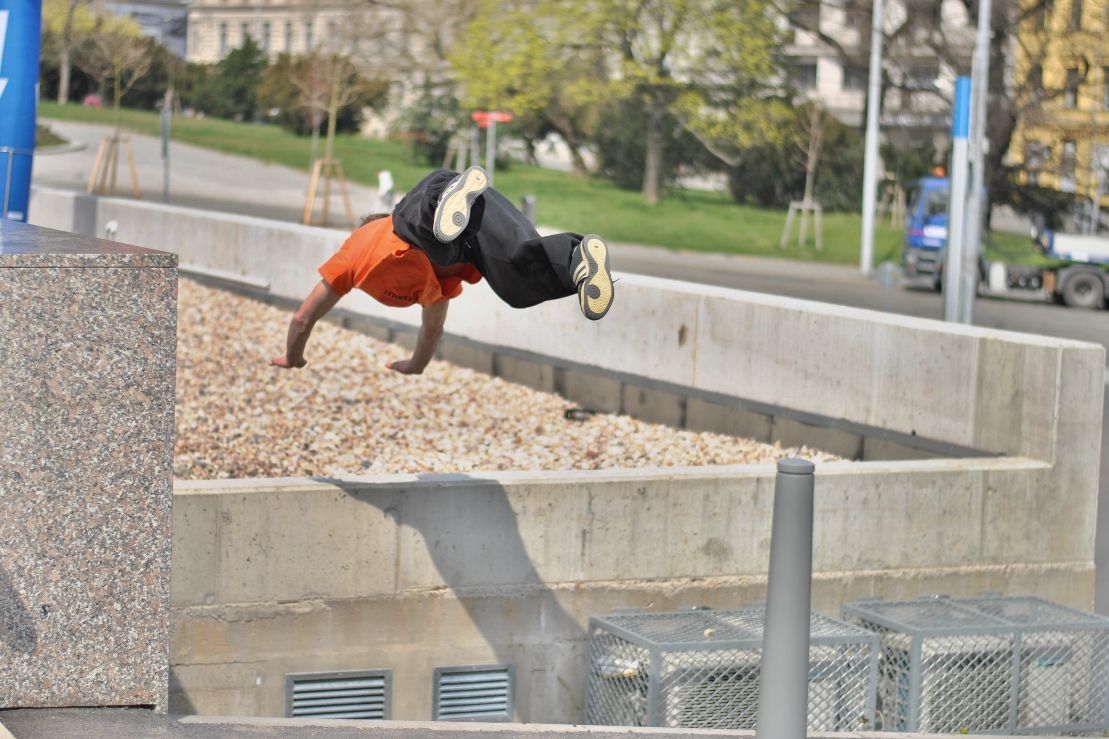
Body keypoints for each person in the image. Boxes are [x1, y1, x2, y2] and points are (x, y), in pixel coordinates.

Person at [271, 166, 614, 375]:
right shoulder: (431, 285)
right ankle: (575, 262)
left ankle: (445, 201)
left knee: (411, 224)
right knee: (517, 279)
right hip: (474, 222)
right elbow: (431, 331)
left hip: (440, 193)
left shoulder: (359, 250)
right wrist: (416, 364)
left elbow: (303, 318)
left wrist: (293, 357)